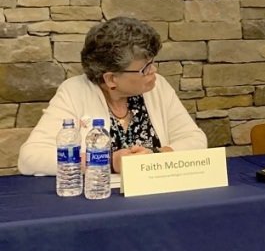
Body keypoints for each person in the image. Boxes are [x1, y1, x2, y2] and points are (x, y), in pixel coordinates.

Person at [18, 17, 208, 175]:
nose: (154, 70)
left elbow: (195, 139)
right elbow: (31, 157)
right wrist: (108, 162)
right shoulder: (74, 92)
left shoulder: (157, 87)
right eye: (145, 68)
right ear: (110, 79)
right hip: (97, 202)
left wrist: (156, 156)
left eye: (152, 62)